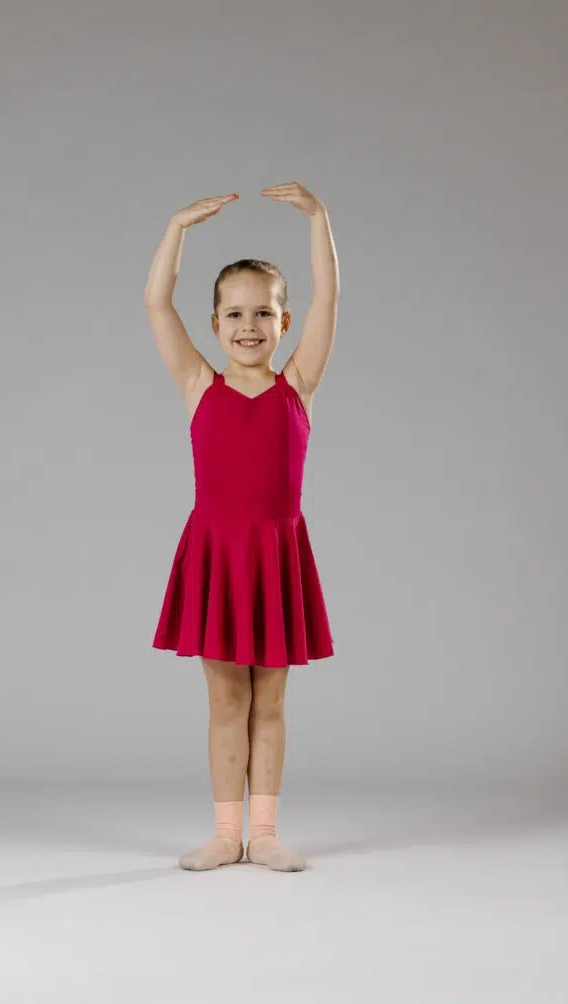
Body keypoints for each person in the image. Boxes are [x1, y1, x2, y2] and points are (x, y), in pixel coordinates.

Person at [144, 182, 339, 872]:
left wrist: (318, 218)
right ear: (214, 322)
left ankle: (267, 834)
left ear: (284, 323)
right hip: (218, 556)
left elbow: (329, 299)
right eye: (234, 313)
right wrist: (176, 226)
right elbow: (156, 304)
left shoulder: (298, 386)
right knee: (227, 699)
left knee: (271, 701)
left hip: (276, 553)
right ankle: (226, 835)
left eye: (263, 313)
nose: (248, 325)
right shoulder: (199, 385)